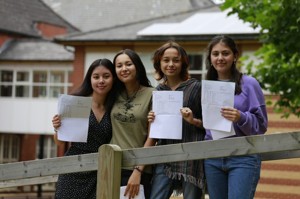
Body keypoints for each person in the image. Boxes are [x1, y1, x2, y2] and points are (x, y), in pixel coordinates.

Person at [203, 35, 268, 199]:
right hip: (213, 158)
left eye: (225, 53)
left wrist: (241, 117)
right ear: (210, 58)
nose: (220, 58)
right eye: (215, 54)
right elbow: (205, 126)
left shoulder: (249, 83)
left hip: (243, 157)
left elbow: (261, 126)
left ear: (235, 56)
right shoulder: (205, 87)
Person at [52, 58, 119, 199]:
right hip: (73, 168)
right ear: (90, 79)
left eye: (106, 76)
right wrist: (57, 128)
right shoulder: (76, 102)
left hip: (101, 170)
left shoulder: (116, 106)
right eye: (96, 77)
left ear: (113, 78)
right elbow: (59, 143)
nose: (101, 81)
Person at [148, 41, 206, 199]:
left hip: (191, 158)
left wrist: (193, 120)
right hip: (165, 155)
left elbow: (209, 124)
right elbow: (155, 132)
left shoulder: (196, 87)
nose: (171, 64)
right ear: (159, 63)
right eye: (166, 60)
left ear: (183, 63)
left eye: (176, 60)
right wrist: (152, 120)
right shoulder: (159, 91)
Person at [110, 49, 156, 199]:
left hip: (138, 168)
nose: (124, 69)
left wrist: (138, 171)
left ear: (137, 66)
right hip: (112, 165)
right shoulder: (113, 94)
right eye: (119, 65)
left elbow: (153, 136)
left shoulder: (152, 94)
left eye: (128, 64)